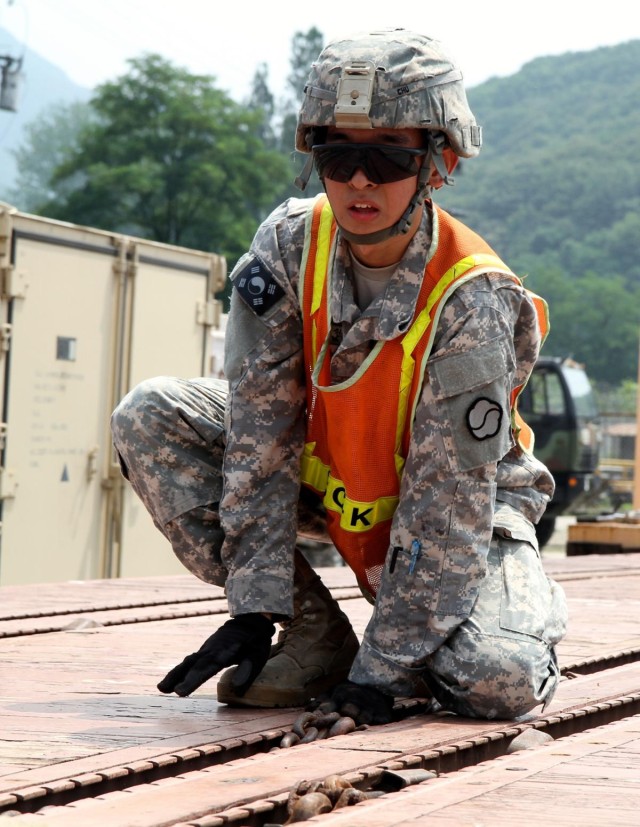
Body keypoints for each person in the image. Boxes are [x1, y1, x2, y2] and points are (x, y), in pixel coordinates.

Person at [111, 28, 568, 724]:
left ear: (439, 162)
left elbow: (447, 509)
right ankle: (314, 635)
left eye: (386, 158)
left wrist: (379, 676)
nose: (359, 180)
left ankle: (503, 616)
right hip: (338, 481)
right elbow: (259, 437)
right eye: (338, 155)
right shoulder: (288, 249)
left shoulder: (471, 297)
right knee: (149, 414)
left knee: (493, 678)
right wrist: (258, 602)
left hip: (456, 512)